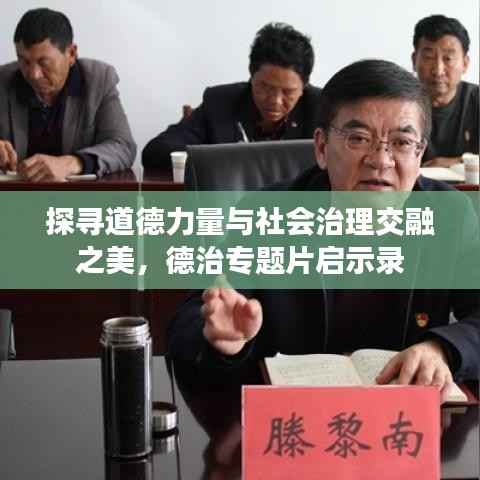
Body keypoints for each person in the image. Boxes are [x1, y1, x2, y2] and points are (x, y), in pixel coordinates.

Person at [168, 60, 480, 397]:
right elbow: (189, 322)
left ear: (420, 154)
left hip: (404, 420)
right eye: (359, 139)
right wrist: (221, 340)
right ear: (321, 148)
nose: (381, 160)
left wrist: (442, 348)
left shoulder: (449, 214)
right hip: (292, 416)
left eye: (402, 143)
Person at [142, 22, 321, 172]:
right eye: (265, 87)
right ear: (251, 75)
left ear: (303, 87)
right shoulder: (220, 102)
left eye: (288, 92)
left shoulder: (321, 107)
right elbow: (156, 152)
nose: (275, 100)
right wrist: (226, 161)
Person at [0, 8, 136, 182]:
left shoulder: (99, 80)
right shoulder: (3, 80)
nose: (34, 74)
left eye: (44, 63)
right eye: (24, 61)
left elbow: (123, 146)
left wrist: (72, 163)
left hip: (78, 197)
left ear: (71, 53)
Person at [412, 14, 478, 167]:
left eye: (448, 58)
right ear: (414, 60)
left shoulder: (476, 100)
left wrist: (452, 163)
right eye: (428, 57)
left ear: (465, 63)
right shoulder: (399, 103)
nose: (438, 70)